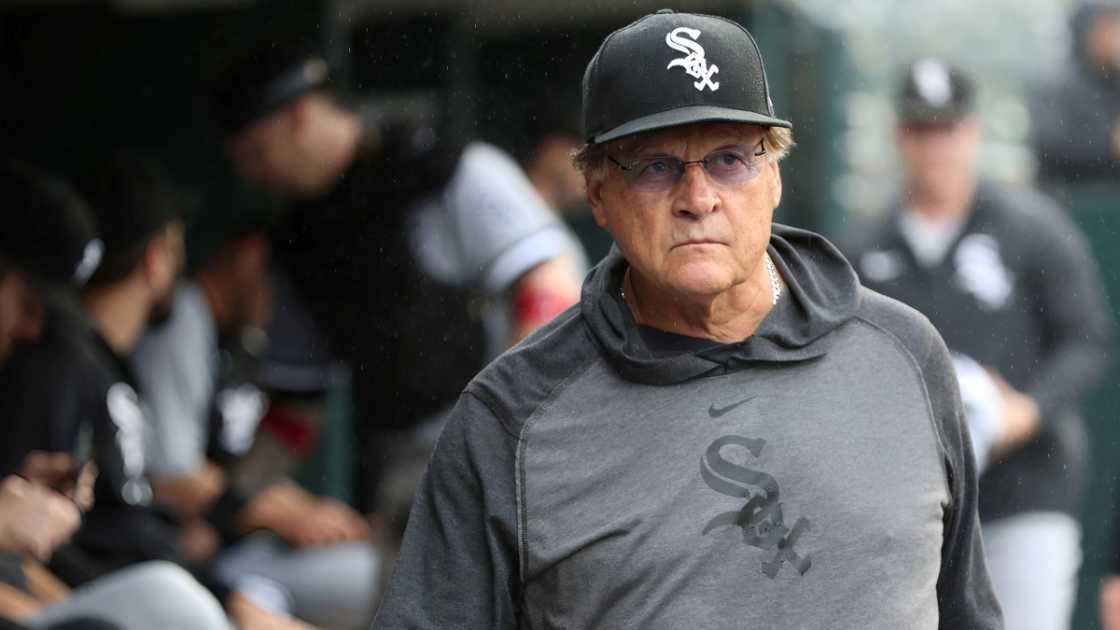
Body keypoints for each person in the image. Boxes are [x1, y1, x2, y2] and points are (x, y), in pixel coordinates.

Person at [373, 11, 1001, 629]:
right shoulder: (510, 417)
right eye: (654, 166)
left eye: (730, 159)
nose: (698, 200)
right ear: (597, 195)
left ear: (773, 177)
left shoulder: (904, 355)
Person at [212, 48, 584, 516]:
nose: (252, 174)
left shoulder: (442, 170)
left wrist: (508, 423)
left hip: (526, 451)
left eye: (258, 153)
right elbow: (294, 408)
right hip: (411, 469)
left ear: (299, 117)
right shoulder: (299, 245)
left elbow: (552, 286)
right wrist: (224, 510)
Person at [849, 59, 1111, 630]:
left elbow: (1088, 340)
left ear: (973, 132)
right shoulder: (863, 248)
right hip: (911, 499)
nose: (936, 145)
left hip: (1025, 485)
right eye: (921, 129)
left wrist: (1028, 408)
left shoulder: (1033, 229)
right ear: (900, 136)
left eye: (948, 128)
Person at [0, 156, 311, 630]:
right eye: (25, 304)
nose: (29, 327)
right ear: (155, 256)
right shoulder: (59, 363)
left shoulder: (104, 363)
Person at [130, 214, 380, 628]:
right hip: (190, 559)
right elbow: (171, 476)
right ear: (250, 256)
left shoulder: (234, 336)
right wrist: (288, 515)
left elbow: (231, 467)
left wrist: (308, 510)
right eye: (286, 288)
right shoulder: (183, 319)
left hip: (238, 551)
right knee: (381, 577)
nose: (287, 306)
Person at [1032, 0, 1120, 182]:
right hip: (1068, 197)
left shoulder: (1114, 82)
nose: (1114, 35)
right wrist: (1108, 145)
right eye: (1106, 27)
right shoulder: (1057, 83)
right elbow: (1052, 146)